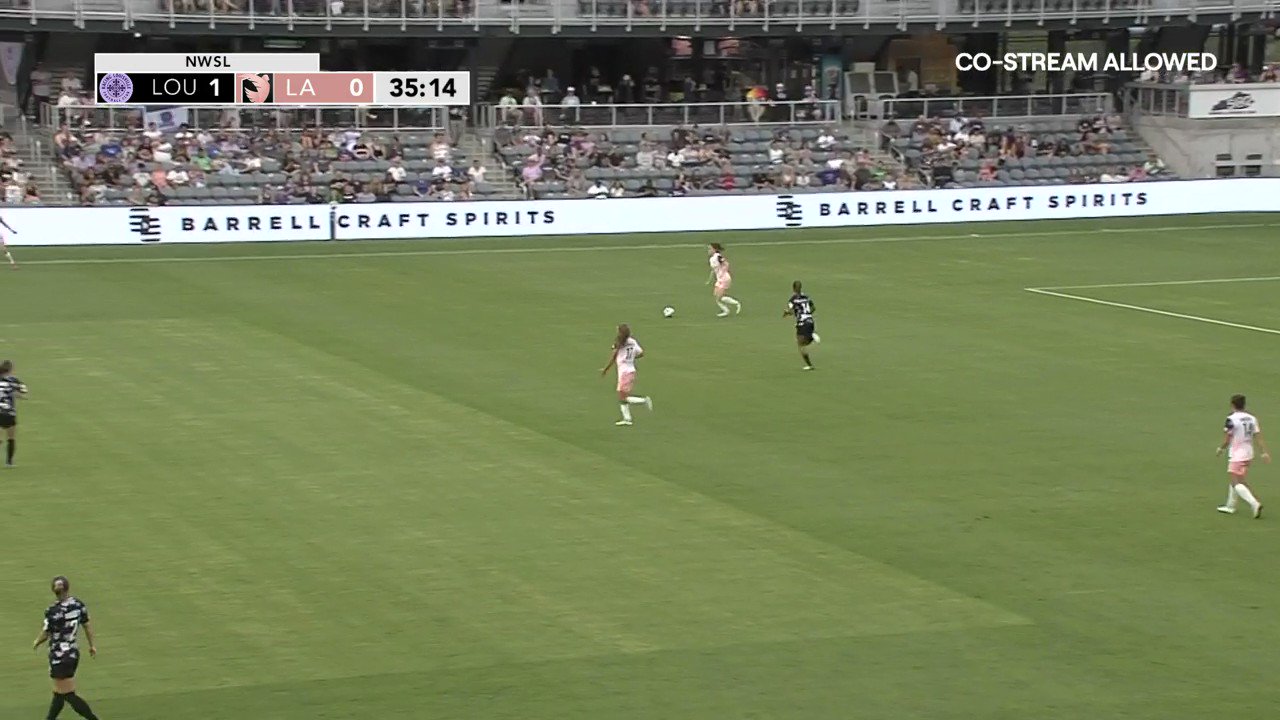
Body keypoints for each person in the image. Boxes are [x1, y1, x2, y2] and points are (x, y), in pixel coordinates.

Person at [33, 576, 100, 720]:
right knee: (59, 693)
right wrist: (92, 645)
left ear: (53, 591)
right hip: (73, 654)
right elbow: (87, 625)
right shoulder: (78, 605)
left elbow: (46, 632)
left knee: (68, 695)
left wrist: (36, 642)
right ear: (67, 588)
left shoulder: (52, 611)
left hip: (59, 656)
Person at [1217, 394, 1270, 517]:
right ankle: (1230, 506)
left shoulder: (1231, 419)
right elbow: (1258, 437)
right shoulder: (1252, 418)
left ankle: (1254, 503)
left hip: (1237, 454)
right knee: (1237, 478)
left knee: (1236, 482)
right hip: (1248, 452)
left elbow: (1228, 438)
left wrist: (1220, 448)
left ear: (1232, 405)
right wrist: (1264, 452)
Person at [599, 323, 652, 426]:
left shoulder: (619, 343)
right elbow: (641, 353)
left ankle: (643, 401)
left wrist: (605, 369)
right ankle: (627, 418)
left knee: (622, 397)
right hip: (630, 370)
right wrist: (631, 358)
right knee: (622, 395)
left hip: (624, 372)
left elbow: (613, 357)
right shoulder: (632, 341)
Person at [783, 281, 821, 371]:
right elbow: (813, 308)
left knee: (801, 344)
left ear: (793, 288)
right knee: (802, 342)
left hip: (802, 322)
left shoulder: (793, 299)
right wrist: (807, 314)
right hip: (810, 320)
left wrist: (786, 313)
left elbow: (790, 310)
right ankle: (809, 365)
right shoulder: (806, 297)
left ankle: (812, 338)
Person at [0, 359, 27, 466]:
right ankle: (9, 462)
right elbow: (23, 391)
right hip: (9, 412)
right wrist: (19, 396)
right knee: (11, 437)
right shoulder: (13, 380)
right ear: (11, 369)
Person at [706, 243, 742, 317]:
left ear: (714, 249)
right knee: (716, 296)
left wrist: (723, 271)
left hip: (724, 278)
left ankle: (735, 304)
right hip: (719, 279)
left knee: (719, 297)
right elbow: (713, 270)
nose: (708, 250)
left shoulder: (718, 256)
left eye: (710, 249)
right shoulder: (711, 259)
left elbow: (726, 263)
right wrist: (709, 279)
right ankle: (727, 310)